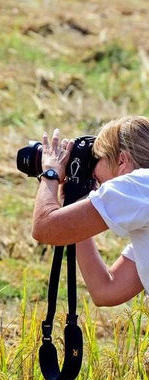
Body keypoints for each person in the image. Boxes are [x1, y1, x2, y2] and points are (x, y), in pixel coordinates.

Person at [31, 116, 149, 307]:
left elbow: (44, 228)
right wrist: (74, 204)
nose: (94, 177)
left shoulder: (138, 185)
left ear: (122, 161)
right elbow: (106, 291)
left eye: (96, 159)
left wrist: (51, 172)